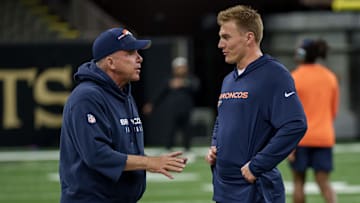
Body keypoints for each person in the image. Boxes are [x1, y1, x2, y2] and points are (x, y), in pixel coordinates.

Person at [59, 27, 187, 203]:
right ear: (111, 62)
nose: (139, 58)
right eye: (130, 52)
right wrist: (149, 162)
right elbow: (96, 155)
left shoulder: (123, 93)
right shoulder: (87, 97)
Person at [204, 5, 308, 203]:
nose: (220, 44)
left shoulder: (274, 75)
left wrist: (258, 165)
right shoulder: (229, 79)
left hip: (256, 190)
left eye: (226, 37)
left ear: (248, 38)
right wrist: (215, 145)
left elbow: (295, 124)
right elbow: (222, 118)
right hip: (224, 189)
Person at [288, 39, 339, 203]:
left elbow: (289, 114)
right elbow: (333, 111)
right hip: (324, 137)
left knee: (298, 182)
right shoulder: (330, 77)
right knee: (324, 183)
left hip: (299, 139)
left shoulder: (293, 78)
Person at [143, 56, 200, 151]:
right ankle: (168, 148)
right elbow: (160, 93)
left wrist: (184, 83)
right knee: (170, 129)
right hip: (172, 110)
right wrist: (151, 104)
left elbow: (196, 88)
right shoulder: (169, 80)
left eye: (183, 67)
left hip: (186, 109)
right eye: (179, 68)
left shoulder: (191, 79)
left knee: (187, 130)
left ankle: (187, 148)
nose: (181, 70)